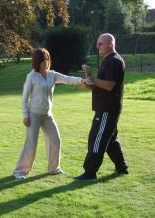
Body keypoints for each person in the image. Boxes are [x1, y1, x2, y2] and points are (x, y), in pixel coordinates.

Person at [13, 48, 85, 180]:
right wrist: (25, 115)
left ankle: (54, 169)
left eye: (47, 59)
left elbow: (67, 79)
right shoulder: (31, 76)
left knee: (55, 140)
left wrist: (81, 81)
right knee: (31, 144)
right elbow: (24, 97)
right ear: (37, 62)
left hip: (47, 115)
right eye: (42, 60)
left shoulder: (52, 75)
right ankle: (20, 172)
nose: (46, 62)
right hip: (33, 115)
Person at [74, 33, 129, 181]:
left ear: (110, 44)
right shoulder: (108, 60)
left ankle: (90, 173)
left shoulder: (114, 61)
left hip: (107, 108)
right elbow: (102, 85)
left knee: (96, 138)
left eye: (100, 44)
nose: (97, 47)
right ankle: (121, 167)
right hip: (107, 107)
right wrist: (88, 84)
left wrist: (91, 76)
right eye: (98, 44)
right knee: (110, 139)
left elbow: (109, 85)